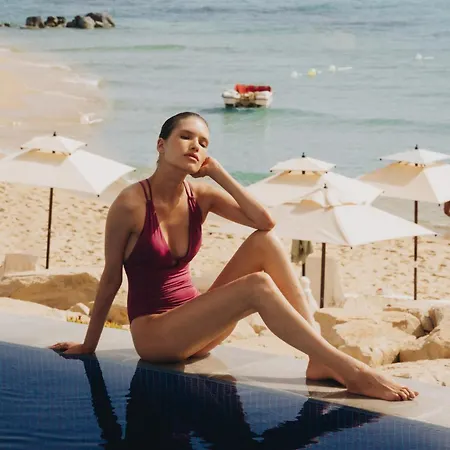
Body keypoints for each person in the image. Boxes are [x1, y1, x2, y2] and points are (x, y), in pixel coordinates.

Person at [50, 112, 418, 402]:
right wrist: (89, 345)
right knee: (257, 286)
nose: (196, 146)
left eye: (204, 143)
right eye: (186, 137)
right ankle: (352, 371)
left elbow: (265, 222)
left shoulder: (200, 196)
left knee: (265, 243)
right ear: (160, 145)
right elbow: (111, 277)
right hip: (156, 336)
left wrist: (219, 174)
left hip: (200, 326)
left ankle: (319, 358)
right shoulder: (130, 204)